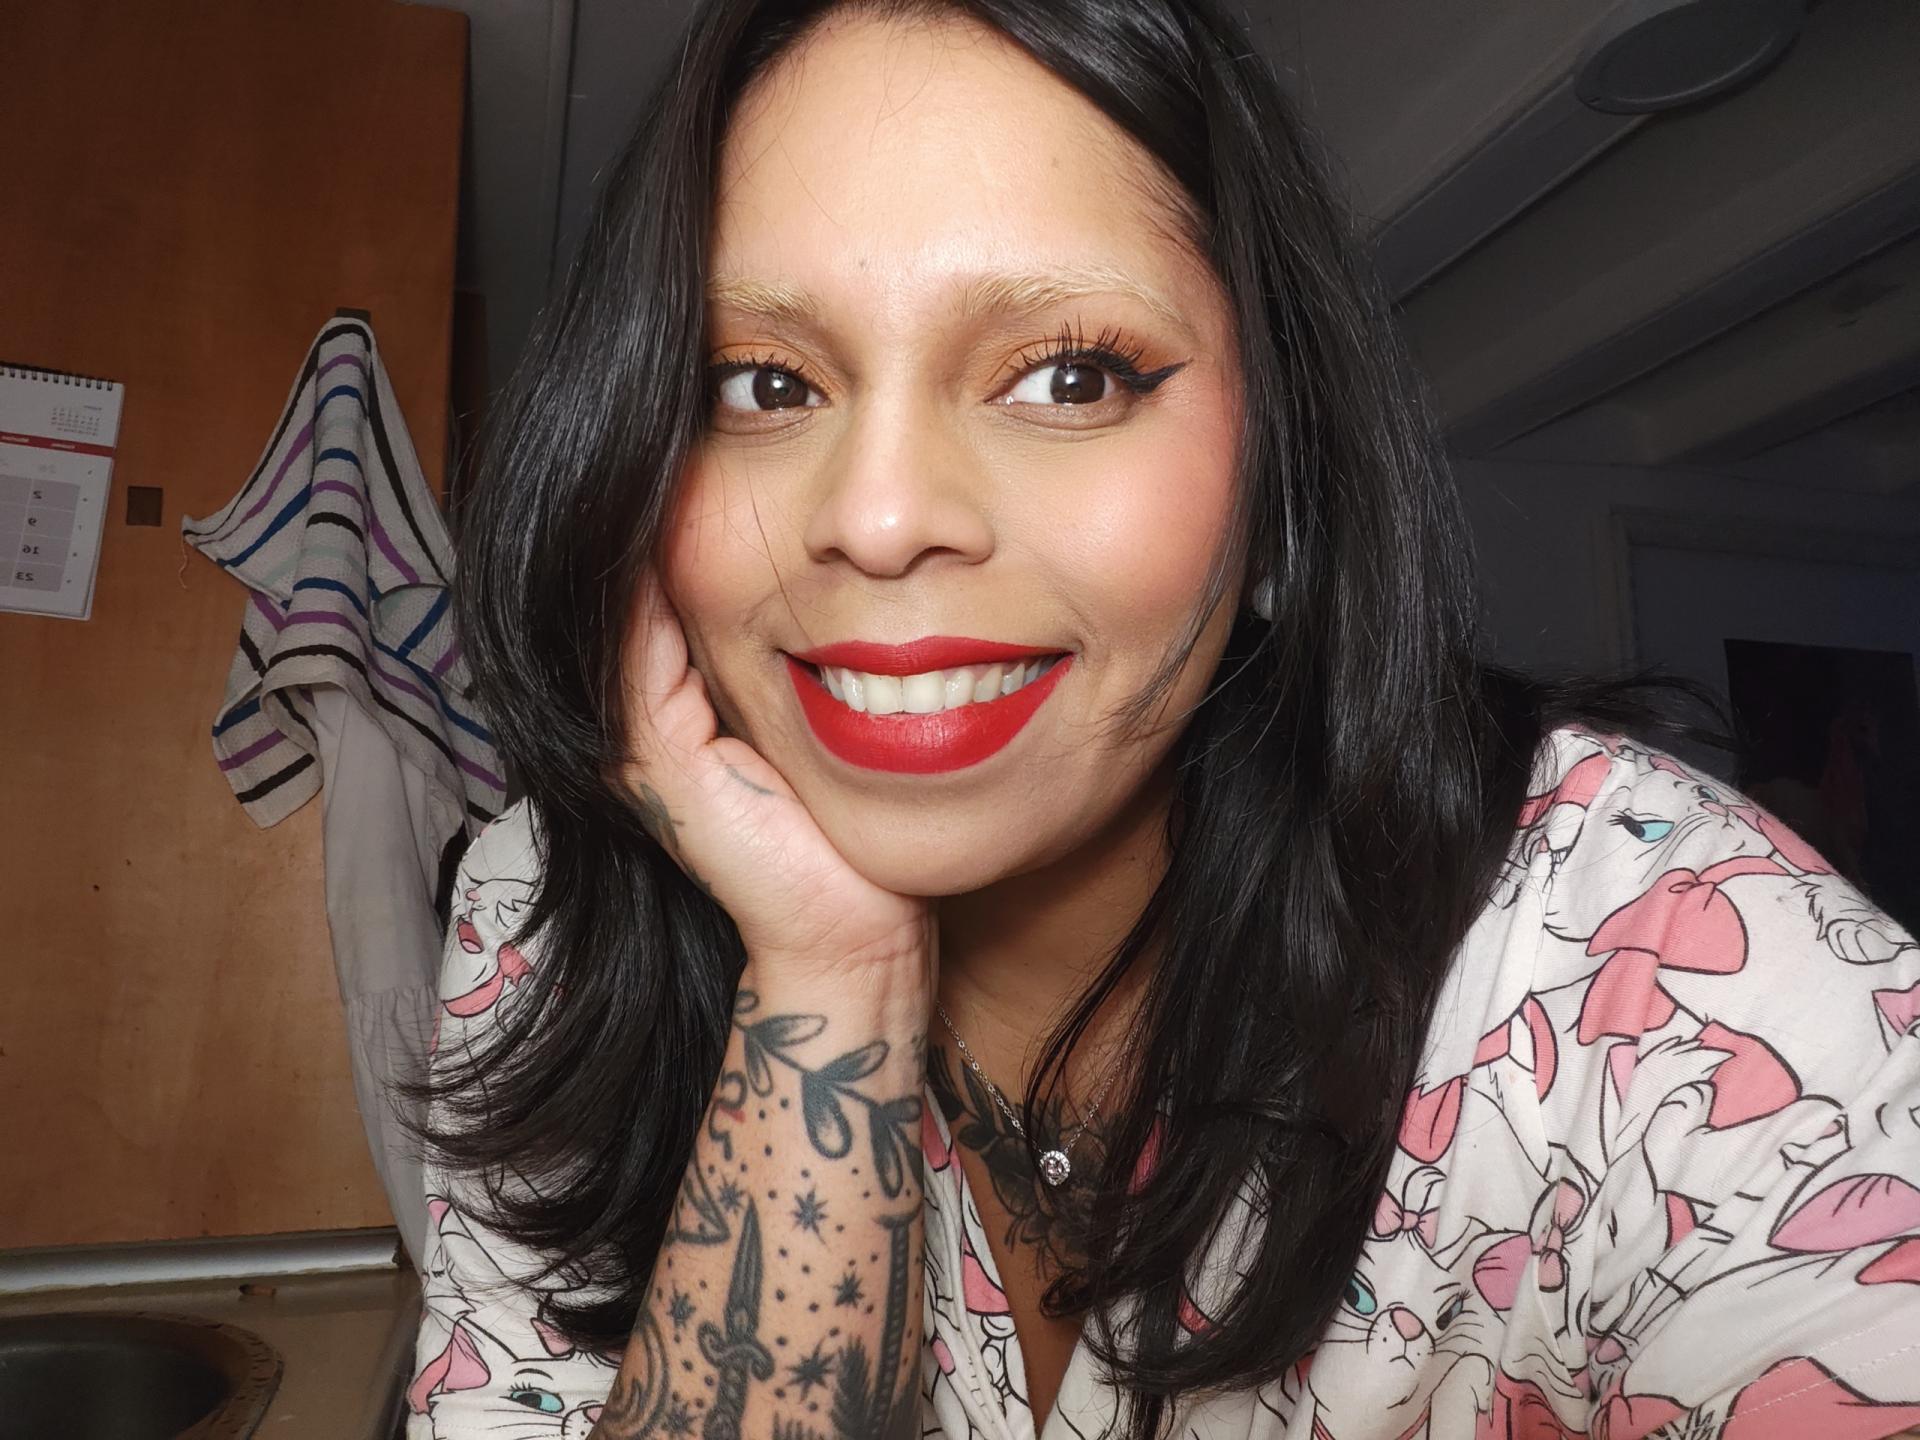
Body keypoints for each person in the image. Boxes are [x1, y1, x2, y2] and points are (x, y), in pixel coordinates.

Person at [403, 1, 1920, 1437]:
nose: (877, 516)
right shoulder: (548, 914)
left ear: (1278, 471)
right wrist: (828, 975)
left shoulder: (1667, 979)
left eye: (1069, 375)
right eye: (760, 384)